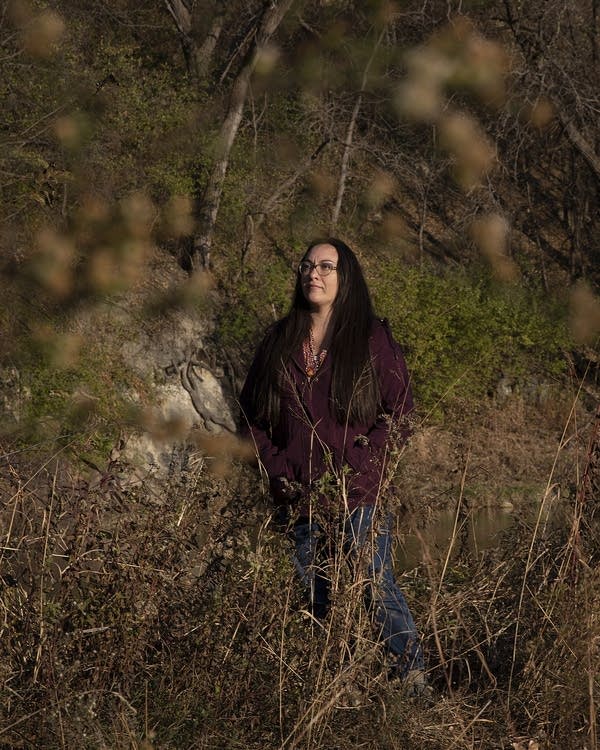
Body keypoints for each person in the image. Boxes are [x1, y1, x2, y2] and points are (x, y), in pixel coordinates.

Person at [239, 237, 427, 693]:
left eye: (326, 266)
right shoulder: (279, 339)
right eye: (306, 266)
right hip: (297, 496)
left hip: (357, 492)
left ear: (346, 278)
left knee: (374, 587)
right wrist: (277, 468)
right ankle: (342, 691)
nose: (313, 274)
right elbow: (248, 416)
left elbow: (401, 411)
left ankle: (413, 683)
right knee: (319, 597)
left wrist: (361, 463)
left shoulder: (370, 337)